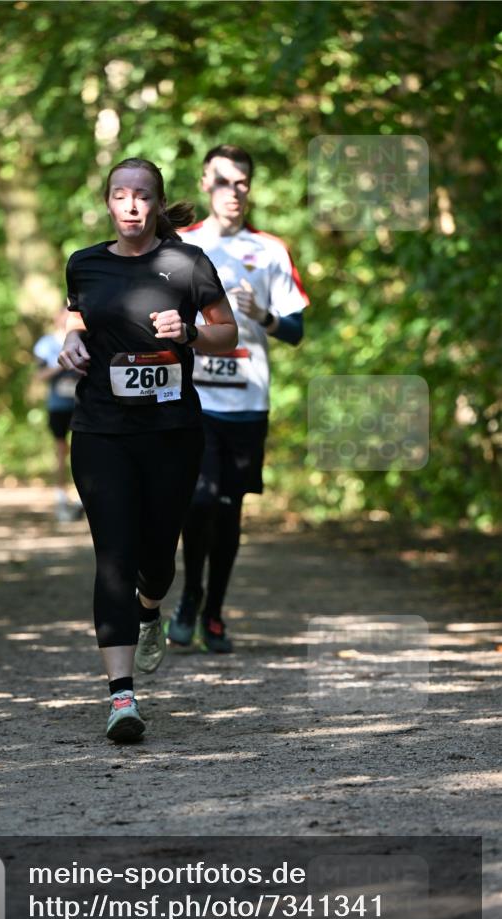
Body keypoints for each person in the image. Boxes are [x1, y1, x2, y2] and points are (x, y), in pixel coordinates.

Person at [59, 156, 237, 742]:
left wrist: (187, 333)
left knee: (157, 556)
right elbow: (79, 322)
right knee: (112, 552)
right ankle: (121, 697)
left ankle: (151, 605)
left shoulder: (185, 263)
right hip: (101, 430)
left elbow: (226, 331)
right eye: (120, 195)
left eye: (142, 196)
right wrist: (71, 343)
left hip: (171, 432)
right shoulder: (84, 263)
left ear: (157, 205)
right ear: (107, 203)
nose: (131, 205)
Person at [168, 144, 309, 653]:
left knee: (229, 510)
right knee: (199, 498)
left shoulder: (270, 249)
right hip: (193, 398)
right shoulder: (180, 245)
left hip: (248, 401)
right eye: (225, 181)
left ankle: (214, 613)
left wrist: (263, 316)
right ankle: (189, 594)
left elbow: (295, 331)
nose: (235, 192)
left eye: (243, 183)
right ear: (206, 182)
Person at [33, 307, 83, 522]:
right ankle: (61, 496)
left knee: (83, 451)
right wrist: (62, 365)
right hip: (58, 406)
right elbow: (39, 375)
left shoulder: (86, 339)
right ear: (56, 318)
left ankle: (84, 497)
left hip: (83, 405)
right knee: (61, 450)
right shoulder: (46, 344)